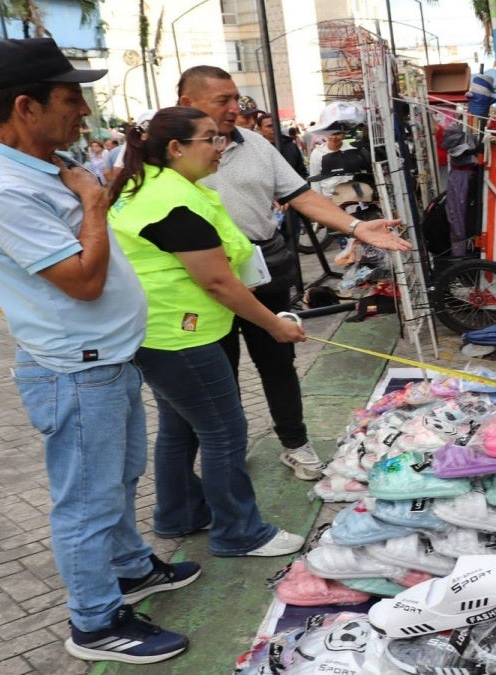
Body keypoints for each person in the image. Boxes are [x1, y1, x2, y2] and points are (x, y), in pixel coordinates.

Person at [0, 37, 196, 664]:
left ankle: (129, 566)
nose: (85, 113)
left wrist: (95, 198)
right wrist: (93, 202)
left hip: (104, 360)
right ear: (26, 106)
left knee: (118, 478)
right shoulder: (1, 187)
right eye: (71, 100)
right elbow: (83, 281)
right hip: (75, 369)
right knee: (87, 502)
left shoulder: (44, 165)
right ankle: (94, 620)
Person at [177, 65, 411, 481]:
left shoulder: (254, 143)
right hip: (201, 281)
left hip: (263, 267)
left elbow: (302, 196)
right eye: (222, 100)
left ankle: (295, 444)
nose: (234, 108)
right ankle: (227, 450)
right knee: (218, 371)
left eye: (235, 99)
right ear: (187, 103)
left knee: (278, 361)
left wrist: (356, 227)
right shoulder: (169, 154)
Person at [109, 105, 308, 559]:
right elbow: (217, 282)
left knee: (181, 428)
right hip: (181, 336)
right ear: (175, 148)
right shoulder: (172, 201)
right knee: (224, 431)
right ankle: (239, 532)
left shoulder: (152, 186)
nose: (221, 148)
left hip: (160, 333)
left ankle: (179, 514)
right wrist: (274, 325)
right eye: (211, 139)